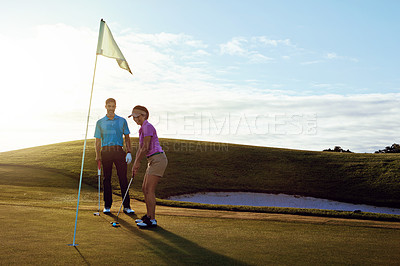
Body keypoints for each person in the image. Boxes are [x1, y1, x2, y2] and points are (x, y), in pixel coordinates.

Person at [129, 105, 168, 228]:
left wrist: (137, 162)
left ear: (144, 116)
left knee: (149, 189)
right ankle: (148, 216)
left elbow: (145, 147)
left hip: (158, 159)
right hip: (152, 160)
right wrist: (136, 163)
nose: (135, 119)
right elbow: (141, 148)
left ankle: (152, 220)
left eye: (137, 116)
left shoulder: (147, 126)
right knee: (144, 188)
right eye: (133, 117)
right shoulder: (142, 128)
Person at [94, 98, 135, 214]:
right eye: (109, 106)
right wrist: (98, 155)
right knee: (106, 179)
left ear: (115, 107)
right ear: (105, 106)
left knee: (123, 178)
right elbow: (97, 141)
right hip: (105, 152)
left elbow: (127, 138)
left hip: (119, 151)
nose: (111, 108)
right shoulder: (100, 122)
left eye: (113, 106)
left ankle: (127, 206)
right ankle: (107, 206)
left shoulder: (122, 121)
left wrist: (129, 152)